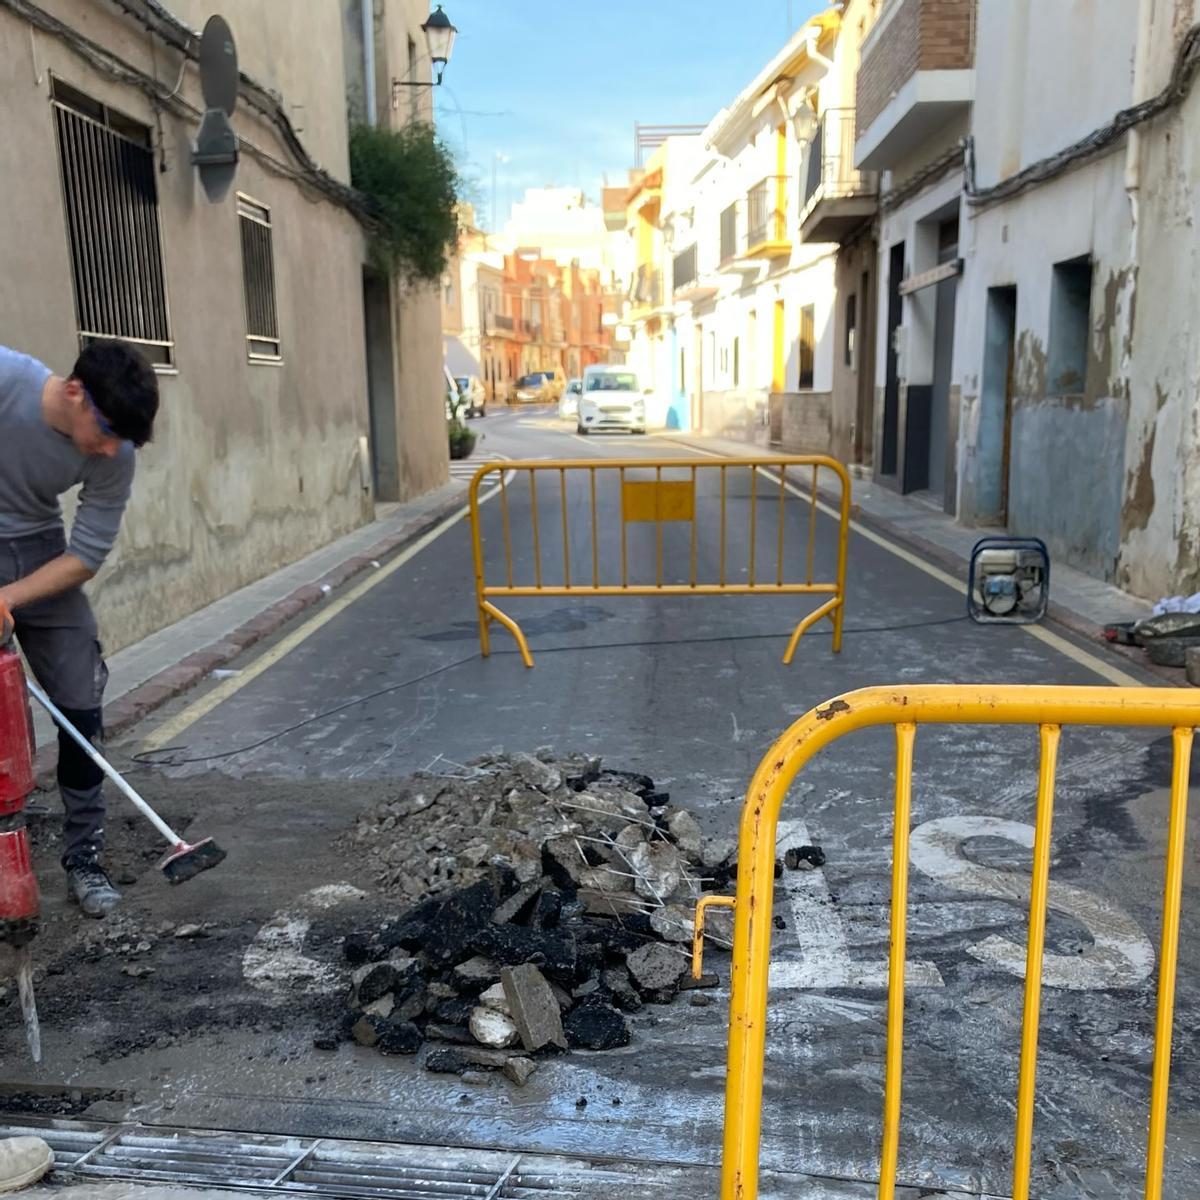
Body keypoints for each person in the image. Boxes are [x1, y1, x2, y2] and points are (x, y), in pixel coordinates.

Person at [0, 340, 159, 918]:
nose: (115, 448)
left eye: (127, 439)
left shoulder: (116, 455)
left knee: (80, 701)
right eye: (110, 429)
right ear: (75, 393)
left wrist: (9, 597)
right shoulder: (6, 379)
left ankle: (84, 860)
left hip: (44, 560)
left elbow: (86, 553)